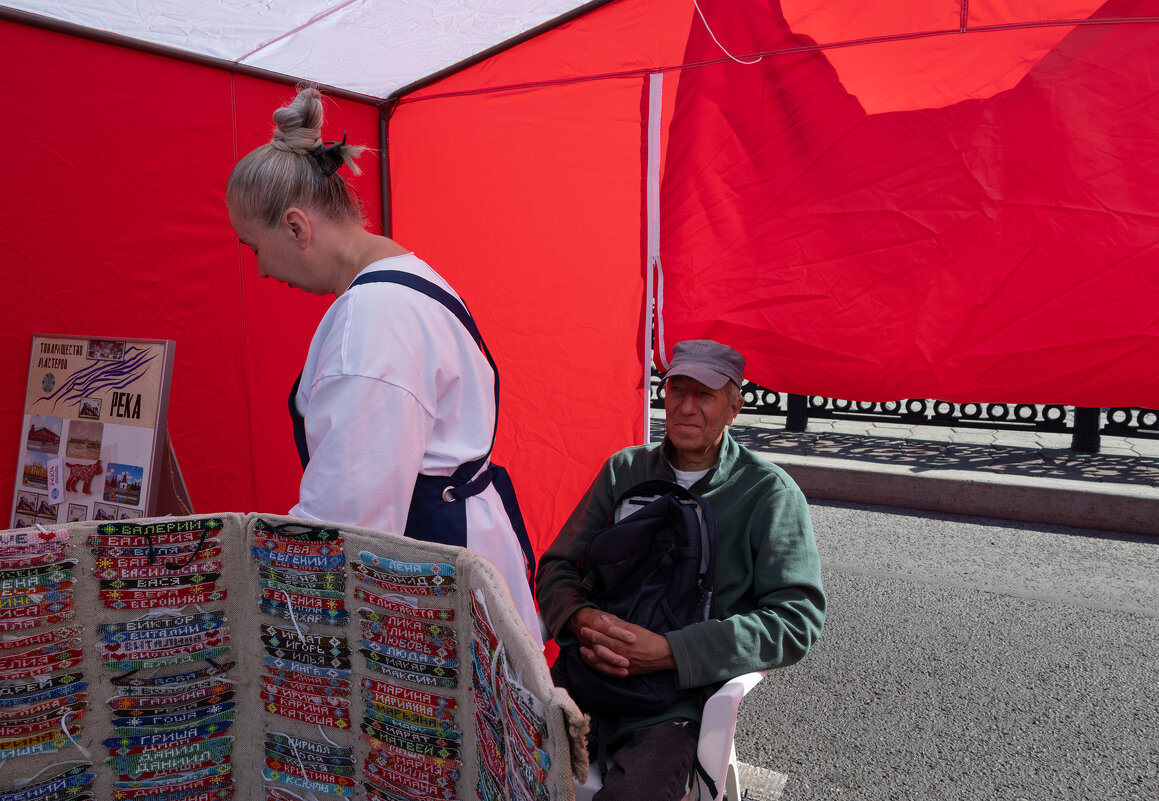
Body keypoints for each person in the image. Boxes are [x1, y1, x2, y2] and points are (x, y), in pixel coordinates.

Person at [226, 85, 540, 645]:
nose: (264, 272)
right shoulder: (409, 276)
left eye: (254, 248)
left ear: (297, 226)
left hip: (433, 579)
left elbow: (349, 521)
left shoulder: (372, 320)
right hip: (461, 547)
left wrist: (266, 609)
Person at [536, 339, 826, 798]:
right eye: (677, 391)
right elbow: (556, 566)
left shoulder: (768, 493)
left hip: (675, 702)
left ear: (735, 408)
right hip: (584, 675)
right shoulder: (623, 471)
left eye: (705, 395)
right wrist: (583, 621)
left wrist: (670, 651)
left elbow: (796, 619)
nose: (687, 408)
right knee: (505, 769)